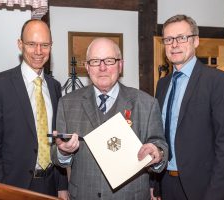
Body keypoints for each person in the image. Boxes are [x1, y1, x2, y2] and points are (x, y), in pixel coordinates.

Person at [50, 37, 168, 200]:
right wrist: (63, 151)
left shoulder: (146, 103)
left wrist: (158, 153)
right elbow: (57, 158)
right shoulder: (67, 104)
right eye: (95, 61)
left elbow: (160, 145)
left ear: (120, 65)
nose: (102, 67)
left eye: (109, 61)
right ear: (87, 67)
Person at [0, 19, 68, 199]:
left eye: (44, 45)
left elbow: (58, 138)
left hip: (50, 184)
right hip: (13, 187)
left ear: (51, 46)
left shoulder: (55, 86)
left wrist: (62, 185)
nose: (38, 51)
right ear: (20, 44)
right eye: (31, 44)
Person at [154, 14, 224, 200]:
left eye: (181, 37)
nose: (174, 44)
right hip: (168, 184)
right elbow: (159, 135)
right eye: (168, 39)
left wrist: (215, 193)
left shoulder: (218, 81)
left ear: (196, 41)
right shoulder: (162, 85)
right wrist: (156, 185)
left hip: (205, 188)